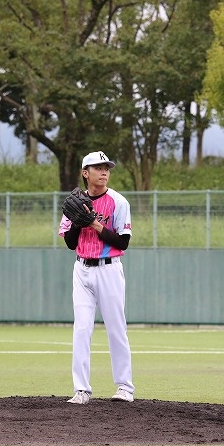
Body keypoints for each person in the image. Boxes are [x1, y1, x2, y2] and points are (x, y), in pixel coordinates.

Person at [58, 151, 136, 403]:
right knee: (81, 329)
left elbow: (123, 242)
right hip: (81, 269)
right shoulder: (74, 202)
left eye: (107, 168)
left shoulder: (118, 202)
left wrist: (94, 223)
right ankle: (81, 389)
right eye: (98, 167)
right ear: (85, 173)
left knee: (116, 328)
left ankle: (124, 387)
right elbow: (70, 243)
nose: (104, 172)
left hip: (109, 269)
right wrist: (78, 221)